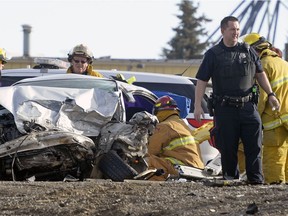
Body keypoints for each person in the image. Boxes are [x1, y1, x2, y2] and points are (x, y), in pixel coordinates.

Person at [194, 16, 280, 184]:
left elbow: (260, 74)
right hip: (225, 109)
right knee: (228, 149)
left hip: (248, 107)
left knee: (254, 147)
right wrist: (198, 105)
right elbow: (202, 81)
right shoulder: (213, 54)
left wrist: (271, 95)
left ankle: (256, 181)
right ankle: (230, 180)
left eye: (238, 29)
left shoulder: (248, 50)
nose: (236, 33)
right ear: (223, 31)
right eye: (232, 29)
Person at [243, 33, 288, 184]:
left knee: (273, 155)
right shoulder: (283, 63)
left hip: (274, 119)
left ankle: (275, 185)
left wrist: (254, 119)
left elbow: (261, 99)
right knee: (286, 154)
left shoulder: (262, 66)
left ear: (254, 50)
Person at [145, 95, 205, 181]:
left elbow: (150, 150)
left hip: (182, 168)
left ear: (158, 111)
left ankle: (155, 184)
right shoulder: (182, 124)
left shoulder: (164, 126)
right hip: (197, 168)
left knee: (147, 160)